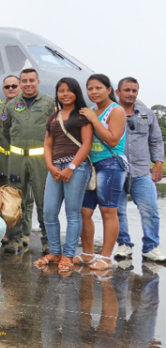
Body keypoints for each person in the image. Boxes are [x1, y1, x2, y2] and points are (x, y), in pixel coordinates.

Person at [33, 78, 92, 271]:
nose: (65, 94)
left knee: (73, 213)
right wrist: (50, 166)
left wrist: (72, 167)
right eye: (61, 91)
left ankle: (68, 255)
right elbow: (47, 144)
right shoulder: (53, 117)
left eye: (69, 90)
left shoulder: (82, 116)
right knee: (48, 212)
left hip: (77, 167)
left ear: (76, 93)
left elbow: (86, 144)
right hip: (55, 168)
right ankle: (55, 252)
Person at [2, 68, 56, 255]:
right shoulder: (11, 106)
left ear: (38, 82)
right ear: (20, 84)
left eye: (31, 80)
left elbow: (55, 130)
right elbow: (6, 130)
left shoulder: (49, 103)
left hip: (40, 159)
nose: (28, 84)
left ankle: (48, 241)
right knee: (15, 200)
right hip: (16, 159)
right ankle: (15, 239)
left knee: (43, 200)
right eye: (24, 81)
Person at [78, 74, 127, 270]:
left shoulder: (116, 110)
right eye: (90, 89)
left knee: (108, 211)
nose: (94, 92)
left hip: (111, 164)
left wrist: (93, 120)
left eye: (98, 88)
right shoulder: (90, 110)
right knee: (84, 211)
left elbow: (113, 140)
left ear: (109, 89)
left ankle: (106, 257)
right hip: (91, 165)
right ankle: (88, 254)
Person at [114, 77, 165, 262]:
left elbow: (156, 140)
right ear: (118, 92)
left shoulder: (146, 114)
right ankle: (124, 245)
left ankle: (150, 246)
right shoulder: (110, 113)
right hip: (115, 171)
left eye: (134, 90)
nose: (131, 94)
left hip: (142, 171)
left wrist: (158, 163)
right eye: (127, 90)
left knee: (150, 210)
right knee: (118, 211)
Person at [0, 75, 20, 187]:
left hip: (21, 158)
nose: (11, 88)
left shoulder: (27, 107)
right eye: (7, 86)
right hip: (3, 157)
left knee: (21, 188)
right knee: (3, 188)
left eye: (14, 86)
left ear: (20, 87)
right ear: (3, 89)